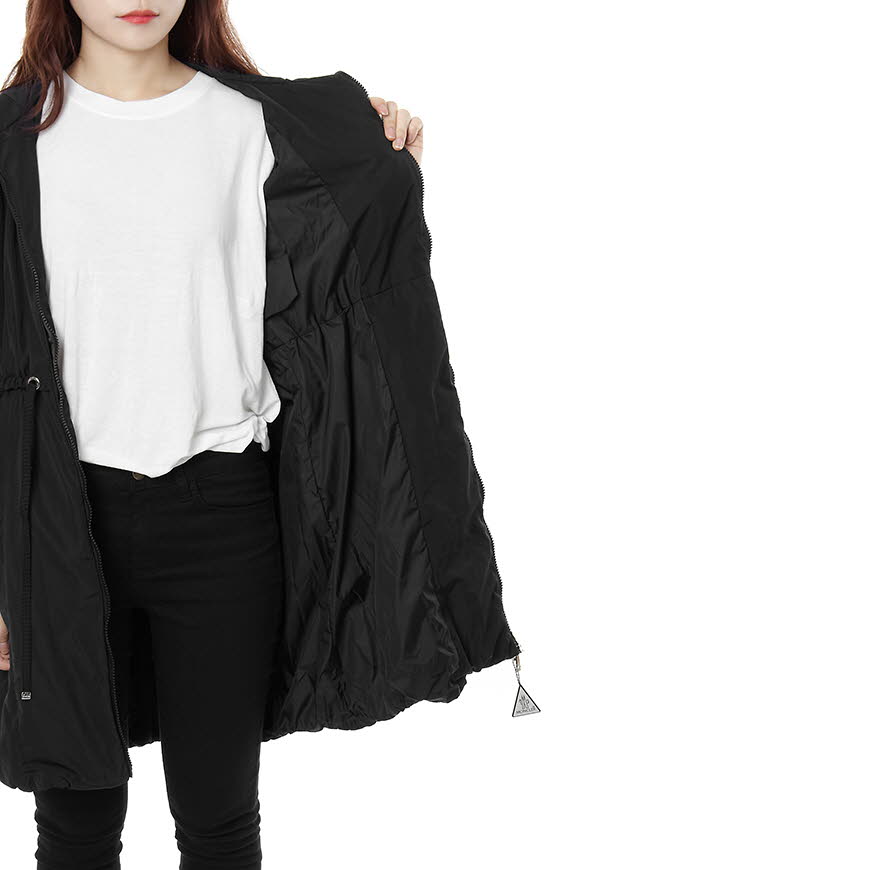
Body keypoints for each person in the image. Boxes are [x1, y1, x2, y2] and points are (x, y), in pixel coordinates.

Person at [0, 1, 529, 868]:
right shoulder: (14, 139)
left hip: (221, 519)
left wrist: (381, 156)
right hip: (55, 521)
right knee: (74, 826)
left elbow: (349, 269)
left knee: (218, 824)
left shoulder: (257, 124)